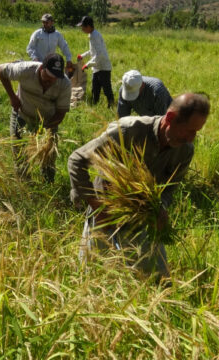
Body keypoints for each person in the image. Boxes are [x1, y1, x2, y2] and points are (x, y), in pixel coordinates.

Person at [68, 93, 210, 283]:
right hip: (105, 211)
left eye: (196, 132)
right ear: (170, 119)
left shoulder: (185, 151)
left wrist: (161, 209)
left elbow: (169, 188)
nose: (191, 138)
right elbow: (77, 160)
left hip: (143, 217)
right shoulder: (129, 131)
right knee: (92, 278)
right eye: (189, 130)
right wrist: (97, 205)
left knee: (158, 279)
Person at [0, 53, 72, 183]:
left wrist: (44, 131)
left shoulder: (64, 84)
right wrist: (12, 97)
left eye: (55, 77)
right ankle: (25, 186)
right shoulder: (26, 69)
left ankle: (48, 184)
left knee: (48, 157)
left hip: (48, 122)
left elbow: (61, 113)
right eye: (48, 76)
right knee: (20, 154)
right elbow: (0, 70)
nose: (51, 80)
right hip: (22, 115)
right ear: (42, 68)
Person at [77, 16, 113, 107]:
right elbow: (92, 51)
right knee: (95, 89)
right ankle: (95, 105)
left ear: (89, 26)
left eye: (83, 27)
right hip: (97, 66)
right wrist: (82, 56)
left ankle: (111, 105)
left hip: (103, 66)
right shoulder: (91, 35)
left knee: (106, 89)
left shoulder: (95, 36)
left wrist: (87, 65)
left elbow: (99, 54)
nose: (82, 29)